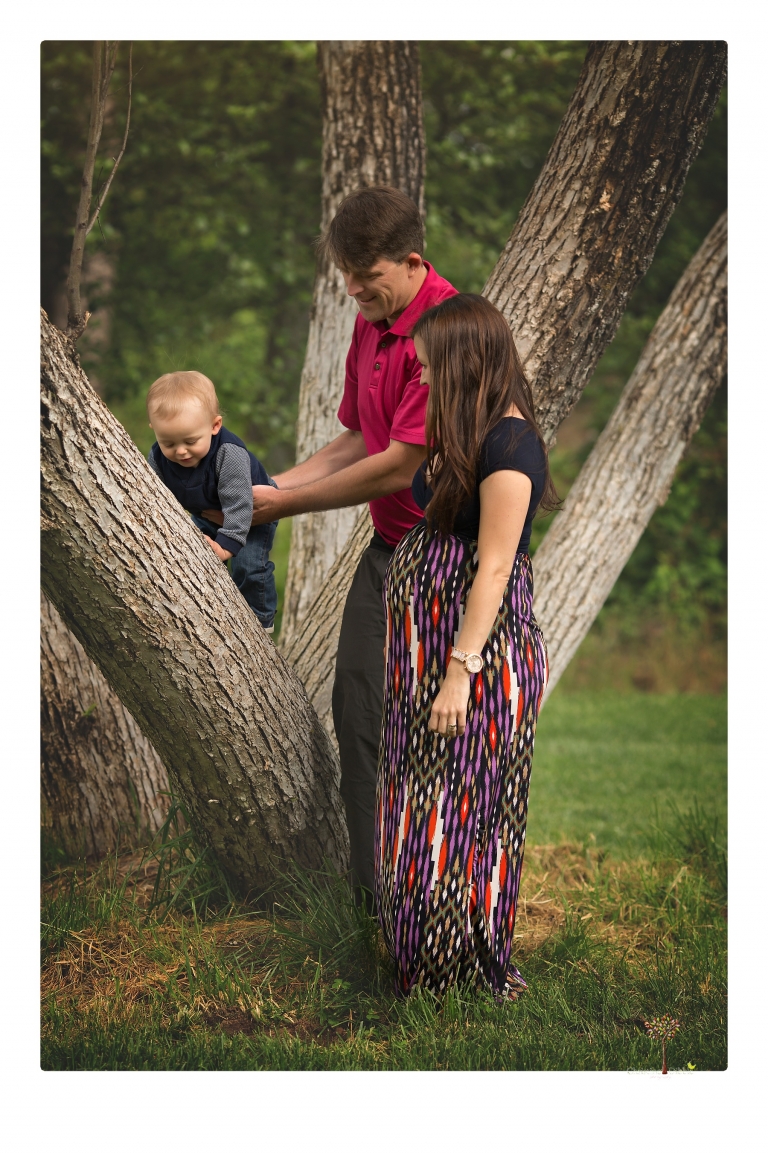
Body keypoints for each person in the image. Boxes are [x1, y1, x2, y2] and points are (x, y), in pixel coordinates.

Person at [204, 186, 457, 902]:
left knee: (432, 737)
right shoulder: (370, 320)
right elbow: (357, 439)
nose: (353, 290)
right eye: (344, 275)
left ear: (410, 263)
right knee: (359, 714)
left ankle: (432, 898)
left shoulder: (443, 328)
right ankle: (373, 908)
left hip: (447, 562)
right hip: (388, 554)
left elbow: (399, 464)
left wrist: (281, 504)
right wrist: (271, 487)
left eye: (366, 277)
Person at [375, 293, 559, 999]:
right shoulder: (460, 434)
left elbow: (494, 566)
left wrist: (459, 671)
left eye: (426, 370)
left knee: (462, 810)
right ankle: (419, 960)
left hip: (474, 662)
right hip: (425, 661)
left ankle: (461, 970)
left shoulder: (511, 447)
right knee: (420, 805)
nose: (419, 380)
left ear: (462, 365)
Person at [147, 370, 278, 632]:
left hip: (250, 515)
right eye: (168, 442)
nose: (180, 451)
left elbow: (240, 505)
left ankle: (261, 621)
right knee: (191, 558)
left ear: (214, 426)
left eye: (191, 441)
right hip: (207, 512)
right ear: (155, 431)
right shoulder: (159, 457)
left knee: (249, 566)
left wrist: (226, 546)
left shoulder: (228, 454)